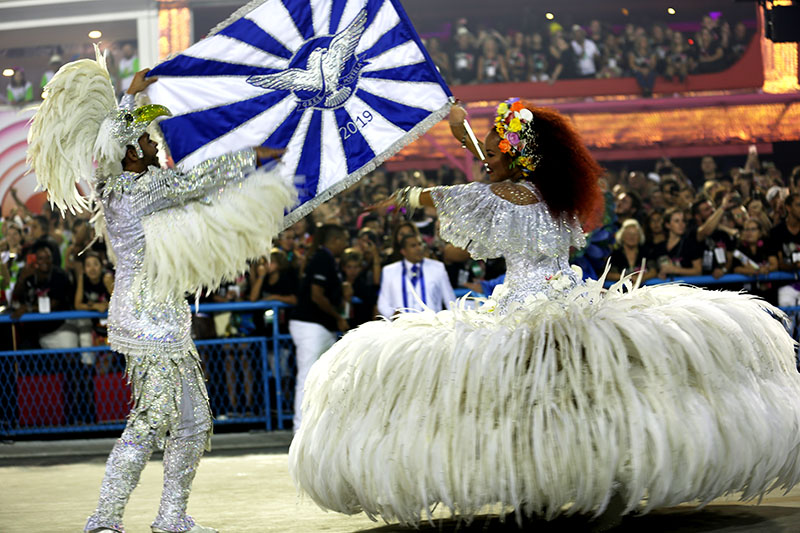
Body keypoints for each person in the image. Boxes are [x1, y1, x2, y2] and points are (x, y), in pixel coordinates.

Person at [288, 97, 800, 528]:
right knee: (587, 397)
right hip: (572, 300)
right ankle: (600, 482)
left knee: (524, 403)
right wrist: (462, 133)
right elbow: (494, 172)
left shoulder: (500, 195)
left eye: (493, 150)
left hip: (524, 310)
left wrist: (399, 196)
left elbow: (449, 194)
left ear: (514, 156)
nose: (485, 157)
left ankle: (538, 489)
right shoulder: (551, 193)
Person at [27, 48, 295, 533]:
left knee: (193, 423)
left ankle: (171, 517)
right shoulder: (134, 190)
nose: (157, 147)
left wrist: (132, 97)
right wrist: (251, 157)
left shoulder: (123, 183)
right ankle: (104, 518)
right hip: (145, 318)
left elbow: (124, 144)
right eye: (150, 141)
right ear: (132, 151)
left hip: (165, 316)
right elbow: (193, 180)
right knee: (151, 418)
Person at [288, 223, 350, 433]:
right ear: (334, 240)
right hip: (310, 324)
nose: (345, 244)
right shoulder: (323, 258)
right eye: (343, 240)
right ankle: (300, 429)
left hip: (319, 325)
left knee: (327, 375)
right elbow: (316, 295)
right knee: (307, 375)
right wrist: (337, 316)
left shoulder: (327, 259)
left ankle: (320, 427)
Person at [377, 234, 455, 317]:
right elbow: (383, 303)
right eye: (413, 246)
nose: (419, 248)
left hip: (431, 326)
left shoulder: (438, 267)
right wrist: (393, 315)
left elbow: (450, 300)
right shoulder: (389, 271)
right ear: (403, 251)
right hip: (400, 326)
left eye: (420, 244)